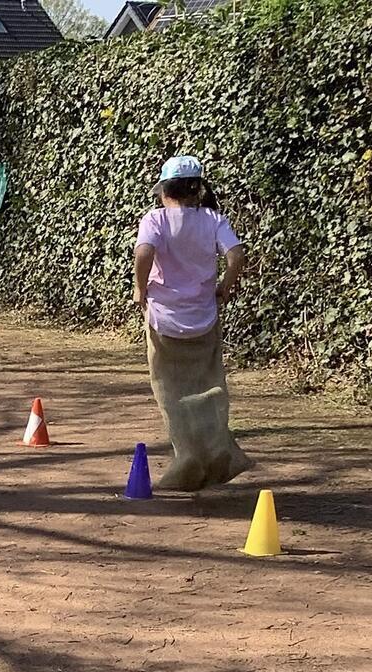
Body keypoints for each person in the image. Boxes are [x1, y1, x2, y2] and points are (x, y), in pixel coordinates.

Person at [133, 155, 253, 492]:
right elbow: (237, 255)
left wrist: (140, 288)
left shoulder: (155, 219)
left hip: (163, 317)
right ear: (197, 189)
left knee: (170, 390)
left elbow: (144, 253)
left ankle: (186, 459)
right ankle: (218, 454)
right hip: (204, 315)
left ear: (163, 190)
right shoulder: (213, 218)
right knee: (209, 385)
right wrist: (225, 287)